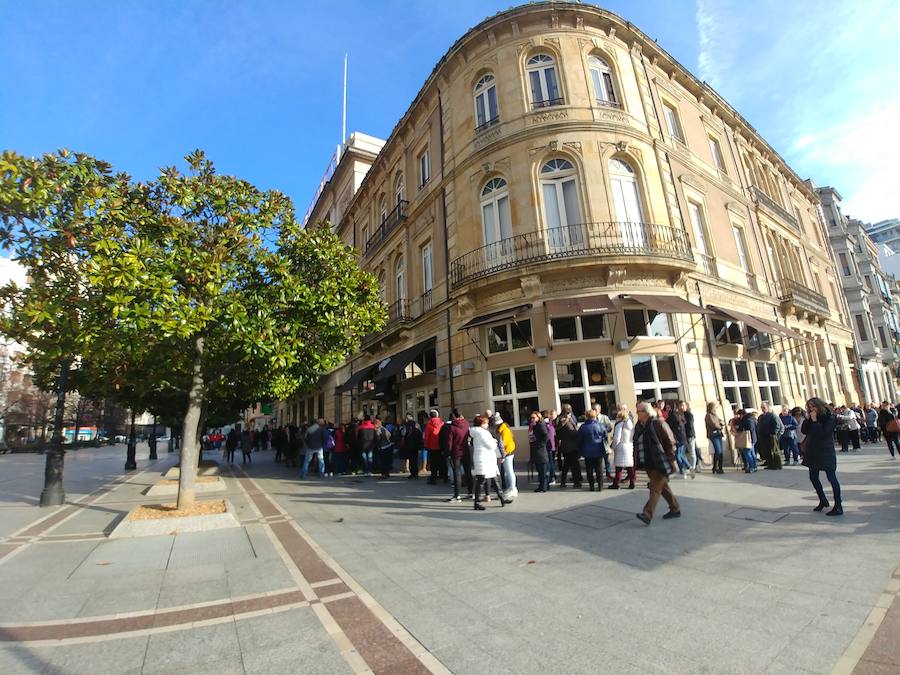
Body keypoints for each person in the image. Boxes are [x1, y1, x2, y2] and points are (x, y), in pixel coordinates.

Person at [632, 401, 680, 525]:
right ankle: (675, 508)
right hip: (649, 463)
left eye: (639, 411)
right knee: (662, 487)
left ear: (646, 412)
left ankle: (647, 514)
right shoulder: (640, 426)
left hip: (660, 462)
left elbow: (671, 441)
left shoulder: (658, 423)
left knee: (654, 488)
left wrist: (670, 458)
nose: (637, 413)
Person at [801, 398, 843, 516]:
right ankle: (822, 499)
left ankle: (838, 505)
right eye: (809, 407)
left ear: (819, 406)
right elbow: (804, 430)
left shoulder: (829, 417)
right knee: (813, 477)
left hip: (825, 451)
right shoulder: (811, 417)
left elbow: (824, 433)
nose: (811, 409)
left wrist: (815, 421)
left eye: (812, 406)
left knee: (831, 478)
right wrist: (809, 419)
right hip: (813, 451)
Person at [470, 415, 510, 510]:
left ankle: (501, 498)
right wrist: (495, 441)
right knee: (481, 481)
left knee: (494, 479)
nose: (487, 425)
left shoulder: (478, 432)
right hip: (484, 460)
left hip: (486, 459)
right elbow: (491, 445)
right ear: (481, 424)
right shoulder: (482, 433)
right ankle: (477, 503)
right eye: (486, 423)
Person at [576, 409, 609, 491]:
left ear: (587, 416)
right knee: (599, 469)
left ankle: (592, 486)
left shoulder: (583, 427)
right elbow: (605, 437)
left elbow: (579, 439)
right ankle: (600, 486)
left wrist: (579, 449)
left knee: (589, 469)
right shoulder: (600, 425)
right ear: (595, 416)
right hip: (598, 450)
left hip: (587, 451)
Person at [447, 409, 473, 502]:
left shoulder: (452, 427)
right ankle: (470, 493)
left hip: (456, 452)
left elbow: (449, 442)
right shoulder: (466, 424)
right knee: (468, 472)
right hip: (466, 450)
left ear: (454, 415)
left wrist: (448, 453)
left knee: (457, 473)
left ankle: (457, 495)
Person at [491, 412, 517, 498]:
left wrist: (502, 455)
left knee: (509, 471)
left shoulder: (504, 430)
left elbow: (503, 443)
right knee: (509, 471)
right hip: (508, 452)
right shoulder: (504, 428)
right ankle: (512, 488)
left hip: (508, 453)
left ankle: (513, 488)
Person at [555, 404, 581, 489]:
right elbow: (558, 428)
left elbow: (575, 426)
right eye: (568, 409)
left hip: (571, 444)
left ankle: (566, 482)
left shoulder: (571, 417)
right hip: (568, 444)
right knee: (572, 464)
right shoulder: (561, 418)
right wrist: (566, 420)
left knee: (568, 464)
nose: (569, 411)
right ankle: (575, 482)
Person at [610, 403, 635, 489]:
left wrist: (613, 446)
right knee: (630, 466)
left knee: (619, 467)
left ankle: (616, 483)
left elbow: (617, 438)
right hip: (629, 446)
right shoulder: (630, 424)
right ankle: (632, 482)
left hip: (621, 447)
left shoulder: (619, 425)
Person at [668, 401, 693, 479]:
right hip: (682, 437)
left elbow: (669, 425)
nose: (667, 409)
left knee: (678, 455)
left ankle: (683, 472)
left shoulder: (672, 416)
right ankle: (689, 469)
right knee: (681, 454)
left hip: (679, 438)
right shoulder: (678, 415)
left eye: (668, 407)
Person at [757, 403, 783, 469]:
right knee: (767, 450)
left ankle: (777, 465)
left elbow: (777, 425)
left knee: (774, 450)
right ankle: (770, 464)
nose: (763, 409)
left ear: (768, 407)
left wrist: (774, 433)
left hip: (772, 435)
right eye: (762, 407)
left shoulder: (772, 415)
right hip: (763, 436)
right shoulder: (761, 417)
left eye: (764, 407)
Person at [529, 411, 550, 492]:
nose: (532, 419)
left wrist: (541, 444)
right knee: (540, 469)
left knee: (542, 470)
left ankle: (543, 487)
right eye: (531, 418)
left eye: (534, 417)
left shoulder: (540, 425)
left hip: (540, 451)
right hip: (537, 450)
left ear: (538, 417)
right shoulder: (535, 425)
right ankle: (544, 485)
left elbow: (546, 436)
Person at [593, 403, 614, 480]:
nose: (594, 411)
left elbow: (610, 427)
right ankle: (599, 473)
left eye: (595, 409)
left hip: (604, 441)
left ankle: (608, 473)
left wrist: (603, 430)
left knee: (606, 459)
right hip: (595, 442)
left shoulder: (604, 418)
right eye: (593, 409)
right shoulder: (592, 418)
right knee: (597, 459)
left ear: (599, 410)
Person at [423, 410, 444, 484]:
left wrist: (426, 445)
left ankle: (433, 478)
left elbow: (427, 437)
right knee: (442, 462)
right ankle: (444, 476)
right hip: (441, 446)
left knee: (433, 464)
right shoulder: (442, 423)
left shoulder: (429, 425)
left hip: (432, 447)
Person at [705, 402, 725, 474]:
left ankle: (720, 467)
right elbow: (714, 424)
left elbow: (721, 421)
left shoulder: (715, 415)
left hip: (719, 434)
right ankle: (715, 467)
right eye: (715, 407)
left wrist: (721, 423)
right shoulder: (708, 415)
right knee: (718, 451)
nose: (716, 409)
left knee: (721, 452)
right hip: (713, 435)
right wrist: (720, 426)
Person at [403, 414, 423, 479]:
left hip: (409, 444)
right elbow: (420, 434)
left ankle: (413, 473)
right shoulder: (417, 424)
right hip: (416, 444)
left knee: (411, 459)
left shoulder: (406, 425)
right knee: (415, 459)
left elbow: (404, 433)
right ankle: (416, 473)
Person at [543, 410, 557, 486]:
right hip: (552, 445)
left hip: (548, 446)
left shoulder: (546, 425)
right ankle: (552, 477)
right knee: (551, 462)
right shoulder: (551, 424)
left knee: (550, 463)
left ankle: (552, 478)